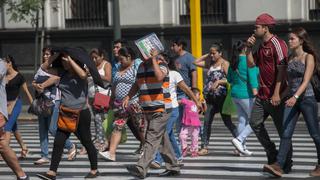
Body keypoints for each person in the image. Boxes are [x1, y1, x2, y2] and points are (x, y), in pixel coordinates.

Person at [263, 27, 320, 177]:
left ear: (301, 41)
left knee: (315, 134)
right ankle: (279, 166)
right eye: (289, 38)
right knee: (286, 133)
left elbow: (306, 80)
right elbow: (290, 84)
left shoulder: (309, 57)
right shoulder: (289, 58)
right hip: (291, 100)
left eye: (292, 39)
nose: (289, 41)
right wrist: (280, 97)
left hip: (307, 98)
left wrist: (295, 97)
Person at [37, 50, 99, 179]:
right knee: (58, 142)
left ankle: (94, 170)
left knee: (86, 141)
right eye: (63, 60)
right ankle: (52, 172)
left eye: (66, 60)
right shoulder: (61, 73)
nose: (64, 62)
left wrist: (70, 59)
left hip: (81, 113)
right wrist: (57, 55)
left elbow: (83, 76)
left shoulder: (82, 72)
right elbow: (43, 68)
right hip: (66, 113)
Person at [246, 13, 293, 173]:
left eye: (257, 27)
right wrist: (248, 49)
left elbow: (283, 68)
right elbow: (252, 65)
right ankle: (272, 152)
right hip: (262, 94)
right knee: (254, 123)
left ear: (265, 28)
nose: (254, 30)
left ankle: (286, 162)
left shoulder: (277, 43)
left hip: (276, 96)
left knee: (282, 131)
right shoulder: (261, 46)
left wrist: (277, 93)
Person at [124, 50, 181, 178]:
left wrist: (155, 59)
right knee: (161, 139)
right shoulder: (141, 66)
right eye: (139, 51)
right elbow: (137, 83)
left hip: (161, 108)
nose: (141, 54)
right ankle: (173, 166)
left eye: (144, 52)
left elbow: (160, 77)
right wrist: (128, 96)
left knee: (152, 137)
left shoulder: (161, 63)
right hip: (147, 108)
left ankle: (141, 167)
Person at [151, 53, 202, 168]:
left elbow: (186, 89)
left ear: (167, 62)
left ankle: (158, 160)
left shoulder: (174, 74)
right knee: (169, 135)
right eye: (157, 60)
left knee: (163, 133)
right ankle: (178, 156)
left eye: (161, 60)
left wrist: (196, 101)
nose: (158, 62)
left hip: (172, 109)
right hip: (160, 109)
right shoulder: (155, 75)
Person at [98, 47, 144, 161]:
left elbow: (140, 84)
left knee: (141, 128)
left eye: (122, 59)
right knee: (117, 127)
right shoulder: (119, 68)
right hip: (120, 105)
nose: (120, 61)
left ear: (129, 57)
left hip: (135, 103)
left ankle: (147, 149)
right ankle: (111, 153)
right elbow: (114, 86)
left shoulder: (136, 66)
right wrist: (111, 100)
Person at [32, 47, 77, 165]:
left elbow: (56, 79)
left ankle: (70, 145)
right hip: (41, 101)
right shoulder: (42, 68)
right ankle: (44, 155)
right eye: (44, 54)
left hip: (54, 101)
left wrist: (41, 84)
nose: (46, 56)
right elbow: (34, 81)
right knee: (42, 129)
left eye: (48, 54)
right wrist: (37, 85)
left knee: (52, 129)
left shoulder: (58, 69)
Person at [194, 43, 238, 156]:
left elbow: (232, 80)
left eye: (214, 53)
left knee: (228, 122)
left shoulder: (225, 64)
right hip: (210, 99)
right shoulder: (210, 64)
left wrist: (219, 81)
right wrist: (207, 55)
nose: (212, 55)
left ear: (220, 53)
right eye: (211, 53)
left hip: (221, 99)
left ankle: (240, 143)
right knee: (207, 122)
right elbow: (196, 62)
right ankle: (204, 146)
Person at [227, 40, 259, 156]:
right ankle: (239, 139)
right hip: (246, 94)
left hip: (235, 94)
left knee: (242, 120)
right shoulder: (248, 61)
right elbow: (253, 75)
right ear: (245, 48)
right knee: (256, 120)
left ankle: (242, 148)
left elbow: (229, 79)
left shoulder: (233, 62)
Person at [0, 58, 29, 180]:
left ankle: (21, 175)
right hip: (6, 105)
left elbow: (25, 91)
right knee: (4, 140)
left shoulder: (2, 65)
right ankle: (22, 175)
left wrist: (32, 103)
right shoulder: (5, 74)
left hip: (13, 105)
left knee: (5, 135)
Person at [3, 55, 33, 159]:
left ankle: (3, 152)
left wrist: (33, 105)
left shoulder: (19, 76)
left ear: (9, 63)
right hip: (5, 105)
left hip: (16, 104)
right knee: (14, 128)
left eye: (3, 63)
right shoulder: (3, 76)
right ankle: (24, 147)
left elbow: (27, 91)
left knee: (7, 128)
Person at [170, 38, 197, 133]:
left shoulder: (189, 57)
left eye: (174, 45)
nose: (171, 48)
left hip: (186, 92)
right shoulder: (173, 59)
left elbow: (194, 73)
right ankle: (181, 141)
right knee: (178, 118)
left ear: (180, 46)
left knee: (191, 117)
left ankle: (195, 139)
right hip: (176, 93)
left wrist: (194, 90)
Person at [88, 48, 111, 152]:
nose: (93, 60)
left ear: (102, 56)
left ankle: (103, 141)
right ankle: (99, 140)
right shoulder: (90, 66)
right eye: (92, 57)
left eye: (96, 57)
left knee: (101, 118)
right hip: (92, 95)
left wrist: (94, 74)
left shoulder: (106, 65)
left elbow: (108, 78)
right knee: (96, 119)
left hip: (102, 94)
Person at [179, 88, 202, 158]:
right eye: (198, 95)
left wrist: (203, 104)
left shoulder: (198, 103)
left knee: (195, 137)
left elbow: (204, 110)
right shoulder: (186, 101)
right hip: (186, 123)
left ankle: (194, 150)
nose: (200, 96)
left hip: (196, 124)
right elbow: (179, 101)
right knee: (182, 136)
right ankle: (184, 148)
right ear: (193, 95)